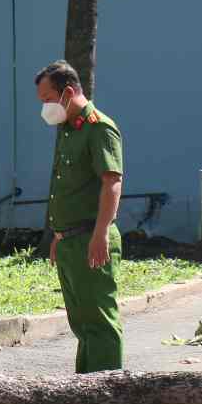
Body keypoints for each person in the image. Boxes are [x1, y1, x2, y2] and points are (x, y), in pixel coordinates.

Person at [35, 60, 125, 373]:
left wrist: (101, 233)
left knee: (99, 321)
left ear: (68, 92)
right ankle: (86, 390)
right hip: (70, 240)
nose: (45, 107)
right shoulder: (67, 129)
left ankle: (108, 397)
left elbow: (112, 182)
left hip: (91, 237)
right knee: (82, 322)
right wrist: (58, 236)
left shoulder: (99, 127)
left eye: (48, 99)